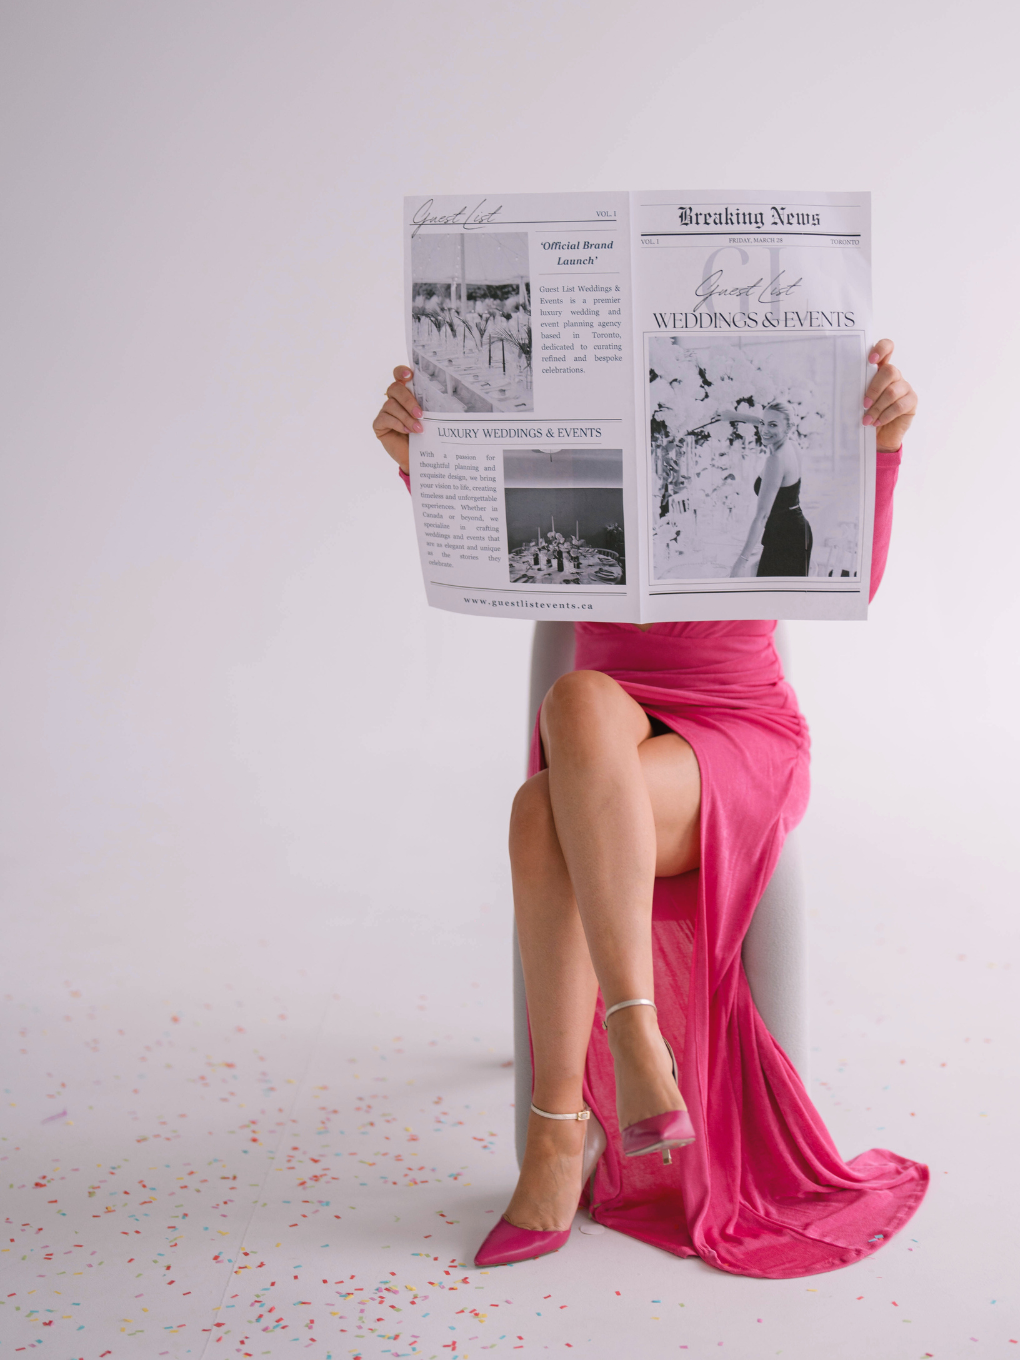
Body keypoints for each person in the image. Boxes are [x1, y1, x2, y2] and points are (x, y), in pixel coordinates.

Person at [371, 341, 926, 1280]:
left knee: (538, 806)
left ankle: (560, 1136)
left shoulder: (768, 456)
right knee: (576, 705)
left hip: (741, 732)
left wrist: (884, 445)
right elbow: (505, 561)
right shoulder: (625, 452)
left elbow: (845, 581)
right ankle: (635, 1035)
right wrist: (424, 459)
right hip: (614, 722)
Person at [692, 402, 811, 577]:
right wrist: (736, 416)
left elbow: (762, 516)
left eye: (772, 425)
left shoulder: (775, 459)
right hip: (799, 531)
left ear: (788, 428)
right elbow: (768, 423)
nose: (764, 429)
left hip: (785, 539)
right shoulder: (792, 445)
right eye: (763, 422)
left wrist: (741, 561)